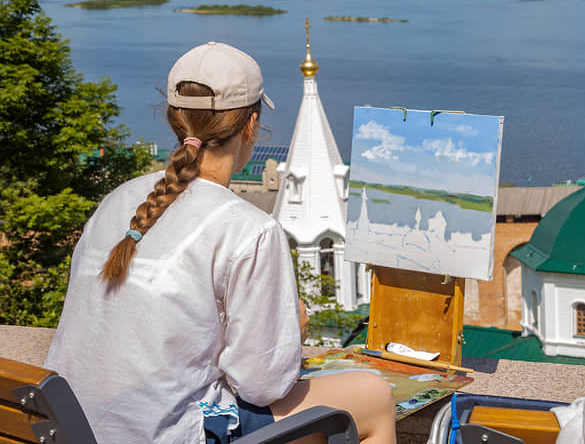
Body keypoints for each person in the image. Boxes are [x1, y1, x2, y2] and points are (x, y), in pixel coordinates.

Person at [46, 42, 397, 444]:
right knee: (374, 395)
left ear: (174, 120)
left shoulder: (116, 202)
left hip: (75, 426)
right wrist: (291, 334)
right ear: (251, 126)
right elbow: (263, 385)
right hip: (166, 435)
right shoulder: (249, 228)